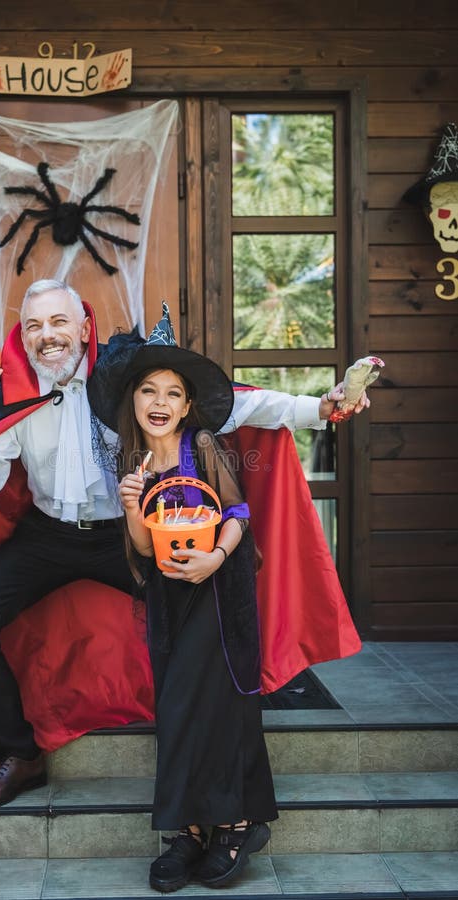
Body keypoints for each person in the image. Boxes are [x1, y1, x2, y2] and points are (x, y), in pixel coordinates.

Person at [0, 279, 364, 811]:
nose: (47, 336)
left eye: (59, 322)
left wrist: (320, 409)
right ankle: (21, 756)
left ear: (85, 327)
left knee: (195, 626)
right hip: (46, 536)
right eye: (33, 327)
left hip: (129, 533)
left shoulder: (125, 378)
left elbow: (235, 406)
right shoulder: (10, 395)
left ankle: (196, 754)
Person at [88, 308, 279, 891]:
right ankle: (187, 832)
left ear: (188, 404)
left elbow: (239, 513)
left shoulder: (202, 444)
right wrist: (129, 505)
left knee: (218, 704)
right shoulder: (131, 462)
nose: (160, 400)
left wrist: (215, 559)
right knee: (175, 708)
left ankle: (235, 824)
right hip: (170, 599)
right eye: (149, 389)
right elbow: (144, 549)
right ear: (133, 400)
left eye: (173, 391)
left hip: (219, 592)